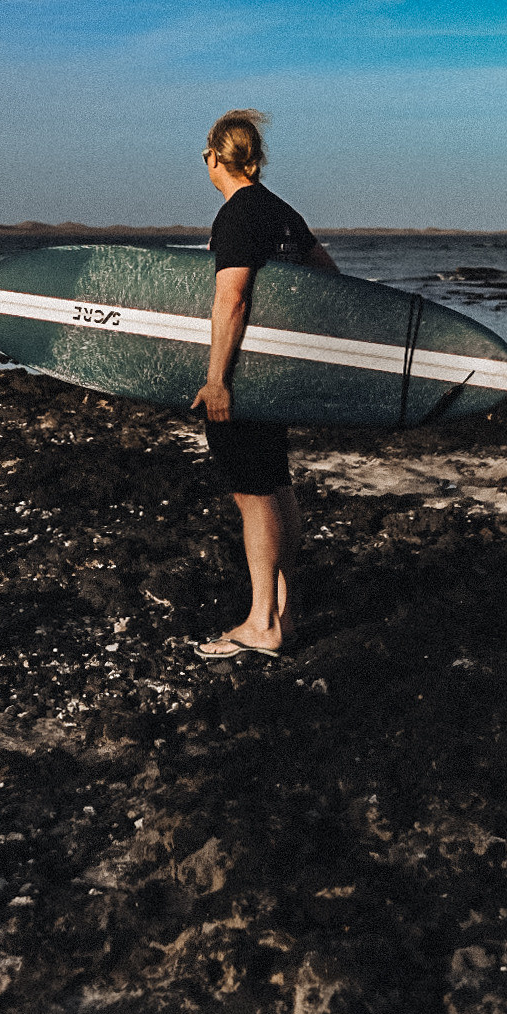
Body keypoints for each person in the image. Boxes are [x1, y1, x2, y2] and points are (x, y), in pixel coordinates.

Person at [190, 109, 338, 659]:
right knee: (276, 487)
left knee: (253, 496)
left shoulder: (235, 215)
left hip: (243, 378)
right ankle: (283, 613)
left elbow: (232, 298)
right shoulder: (282, 212)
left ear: (214, 157)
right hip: (275, 376)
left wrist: (216, 380)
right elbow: (329, 280)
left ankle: (262, 624)